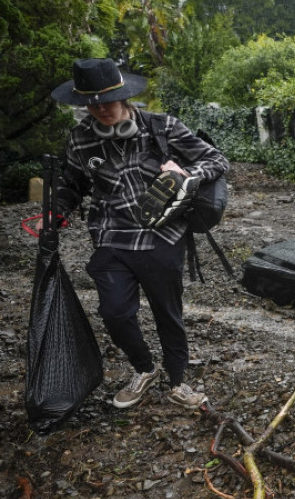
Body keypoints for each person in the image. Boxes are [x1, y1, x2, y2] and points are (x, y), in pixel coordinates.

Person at [48, 58, 229, 409]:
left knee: (168, 314)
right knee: (114, 313)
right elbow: (72, 184)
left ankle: (178, 382)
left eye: (107, 100)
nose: (100, 108)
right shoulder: (80, 139)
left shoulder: (163, 127)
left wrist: (186, 173)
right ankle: (145, 368)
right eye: (91, 102)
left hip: (162, 238)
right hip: (111, 237)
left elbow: (217, 161)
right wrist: (55, 212)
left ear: (124, 97)